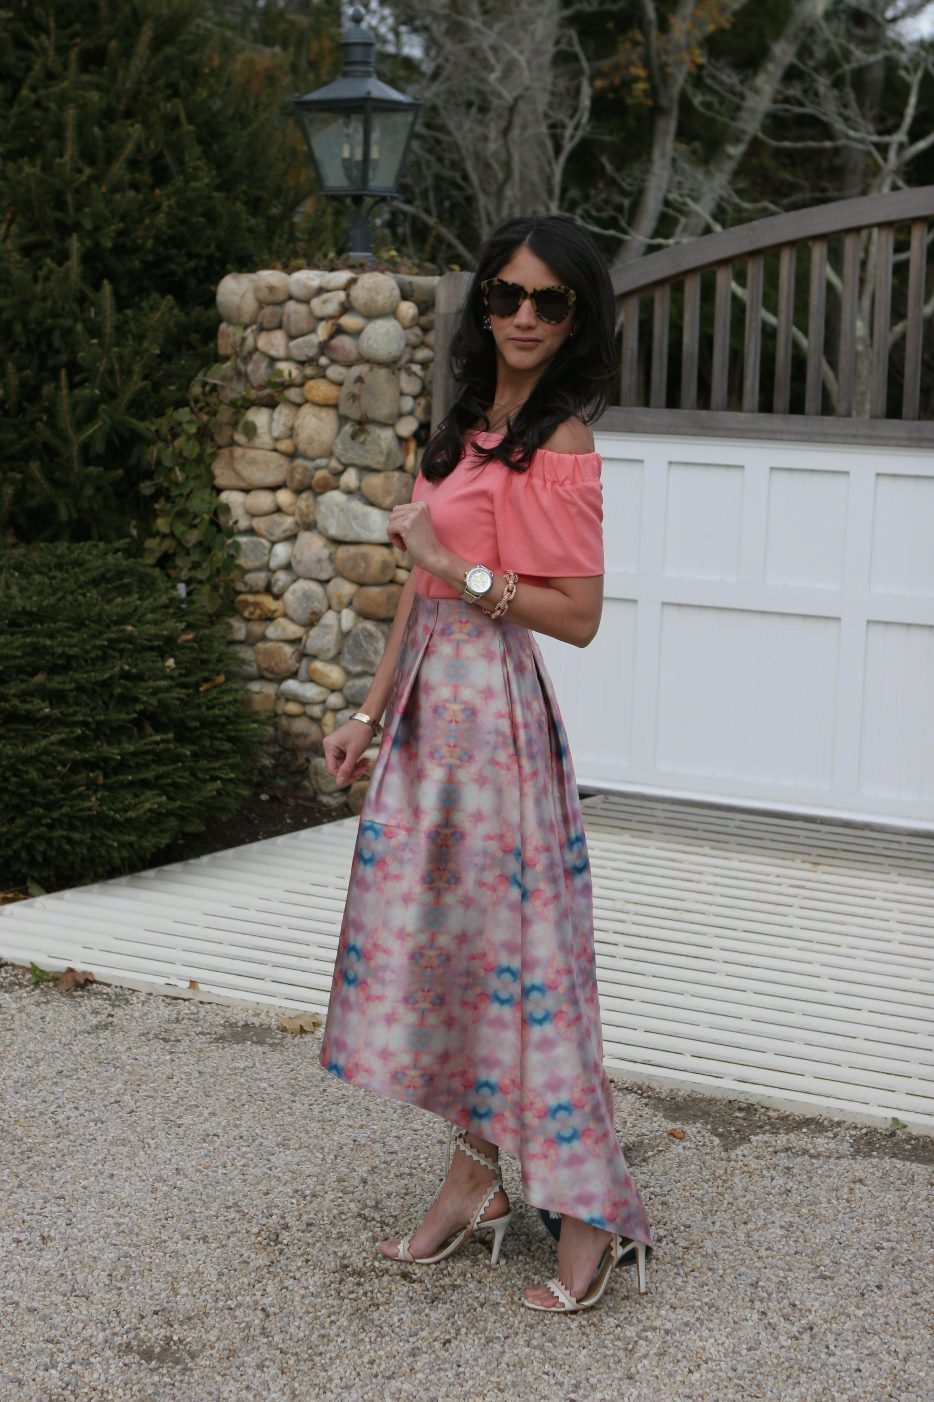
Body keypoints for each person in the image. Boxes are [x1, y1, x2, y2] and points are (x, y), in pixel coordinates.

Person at [320, 213, 653, 1314]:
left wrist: (459, 564)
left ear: (576, 317)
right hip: (427, 729)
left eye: (548, 301)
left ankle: (588, 1209)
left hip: (498, 726)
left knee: (528, 960)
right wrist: (367, 715)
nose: (523, 315)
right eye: (506, 294)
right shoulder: (461, 427)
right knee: (453, 956)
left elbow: (578, 615)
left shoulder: (564, 444)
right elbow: (416, 595)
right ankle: (476, 1177)